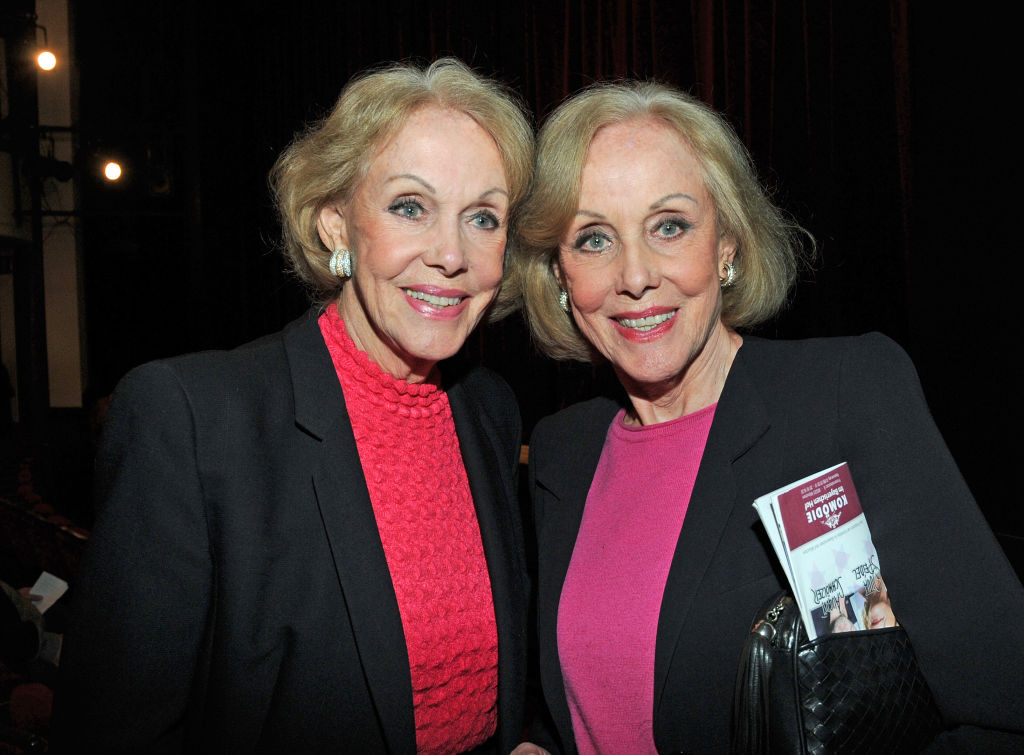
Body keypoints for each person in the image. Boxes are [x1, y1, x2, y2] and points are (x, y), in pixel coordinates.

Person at [514, 80, 1024, 753]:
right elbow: (581, 700)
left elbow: (1004, 707)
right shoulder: (561, 451)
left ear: (725, 243)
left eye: (669, 226)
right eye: (593, 239)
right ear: (558, 273)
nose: (635, 275)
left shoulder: (845, 395)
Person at [53, 58, 537, 753]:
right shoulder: (194, 419)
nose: (451, 254)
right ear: (336, 225)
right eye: (410, 207)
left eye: (483, 217)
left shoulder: (488, 409)